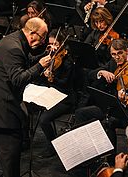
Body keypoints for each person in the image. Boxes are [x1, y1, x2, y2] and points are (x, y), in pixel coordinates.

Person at [0, 17, 51, 177]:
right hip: (3, 115)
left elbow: (23, 61)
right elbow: (17, 79)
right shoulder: (14, 48)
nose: (43, 42)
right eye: (42, 37)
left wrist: (42, 56)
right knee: (10, 167)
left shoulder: (12, 39)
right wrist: (40, 66)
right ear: (32, 33)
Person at [75, 38, 128, 163]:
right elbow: (91, 75)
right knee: (80, 113)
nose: (117, 57)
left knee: (108, 123)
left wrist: (123, 99)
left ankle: (110, 161)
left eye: (120, 53)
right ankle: (87, 154)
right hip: (111, 106)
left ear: (127, 51)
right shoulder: (112, 63)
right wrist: (102, 72)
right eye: (114, 54)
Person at [36, 29, 76, 158]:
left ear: (62, 45)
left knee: (44, 119)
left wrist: (52, 77)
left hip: (65, 98)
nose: (52, 48)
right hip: (52, 94)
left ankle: (53, 145)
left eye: (55, 44)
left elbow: (65, 83)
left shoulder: (68, 61)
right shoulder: (50, 56)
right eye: (50, 44)